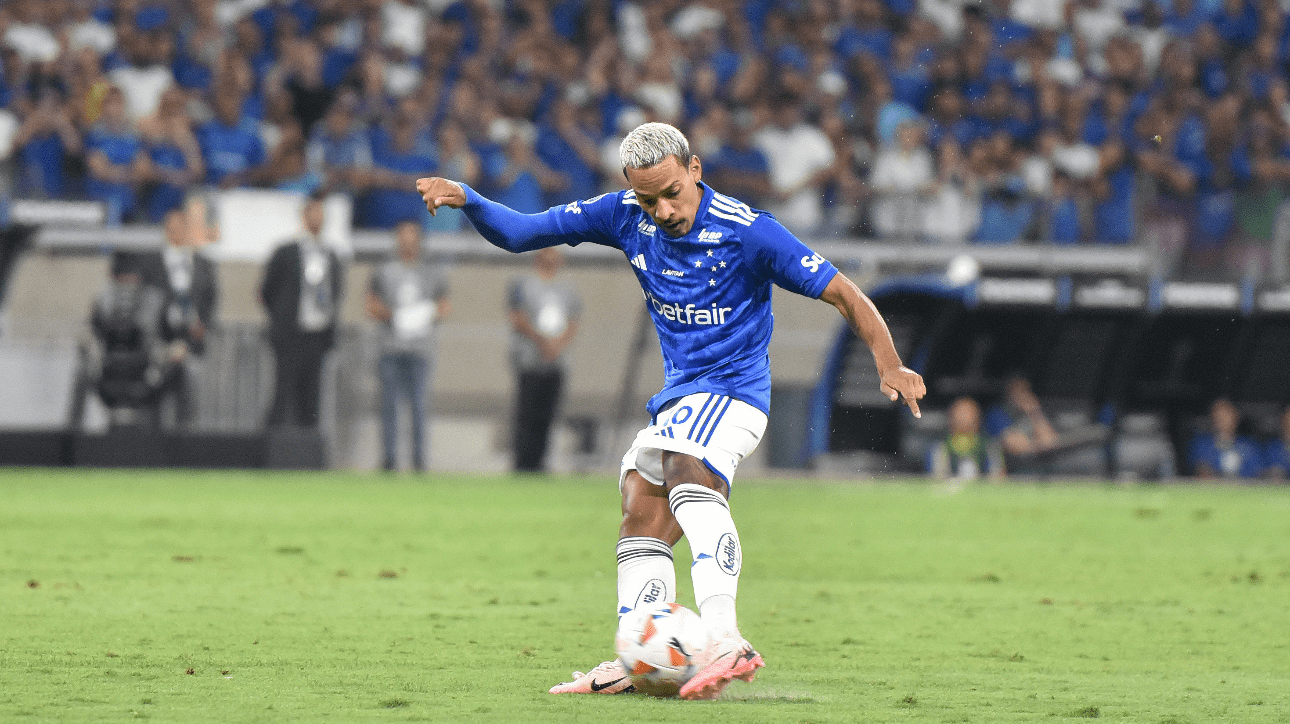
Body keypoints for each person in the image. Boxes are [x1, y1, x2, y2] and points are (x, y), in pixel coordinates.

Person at [416, 122, 925, 700]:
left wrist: (889, 361)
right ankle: (642, 659)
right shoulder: (622, 214)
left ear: (695, 170)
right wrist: (469, 196)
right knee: (639, 500)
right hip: (682, 398)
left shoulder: (750, 233)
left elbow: (843, 291)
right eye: (646, 198)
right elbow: (522, 233)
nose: (661, 210)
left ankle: (727, 639)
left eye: (671, 193)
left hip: (734, 393)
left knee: (683, 462)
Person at [366, 219, 452, 472]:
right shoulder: (384, 269)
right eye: (403, 234)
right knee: (388, 405)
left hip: (420, 349)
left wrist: (424, 315)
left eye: (412, 234)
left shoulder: (431, 270)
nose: (407, 240)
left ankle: (419, 460)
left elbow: (445, 305)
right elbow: (371, 304)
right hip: (390, 347)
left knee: (419, 406)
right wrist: (395, 318)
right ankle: (389, 459)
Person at [260, 192, 345, 429]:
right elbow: (268, 291)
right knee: (283, 391)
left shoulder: (331, 255)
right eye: (312, 212)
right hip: (289, 335)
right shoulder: (286, 252)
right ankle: (273, 451)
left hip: (317, 335)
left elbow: (335, 293)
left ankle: (307, 454)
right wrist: (283, 316)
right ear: (304, 216)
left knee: (311, 396)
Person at [140, 206, 219, 428]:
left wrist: (202, 327)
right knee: (153, 406)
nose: (176, 231)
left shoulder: (204, 264)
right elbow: (145, 302)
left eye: (180, 227)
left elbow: (211, 300)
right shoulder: (150, 263)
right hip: (160, 346)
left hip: (192, 344)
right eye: (171, 227)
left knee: (189, 407)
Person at [507, 246, 581, 474]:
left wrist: (557, 345)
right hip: (529, 360)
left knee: (547, 415)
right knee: (526, 414)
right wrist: (541, 340)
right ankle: (522, 463)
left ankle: (540, 462)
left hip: (556, 362)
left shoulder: (568, 290)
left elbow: (573, 322)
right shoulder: (523, 285)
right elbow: (517, 318)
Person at [928, 397, 1004, 481]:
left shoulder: (988, 444)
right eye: (960, 412)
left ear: (977, 417)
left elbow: (997, 475)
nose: (963, 417)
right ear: (951, 416)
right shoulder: (941, 445)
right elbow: (936, 477)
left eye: (968, 412)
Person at [1190, 398, 1262, 479]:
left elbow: (1258, 475)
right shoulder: (1202, 445)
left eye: (1226, 415)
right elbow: (1202, 472)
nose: (1221, 420)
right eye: (1217, 415)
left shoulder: (1249, 446)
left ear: (1236, 417)